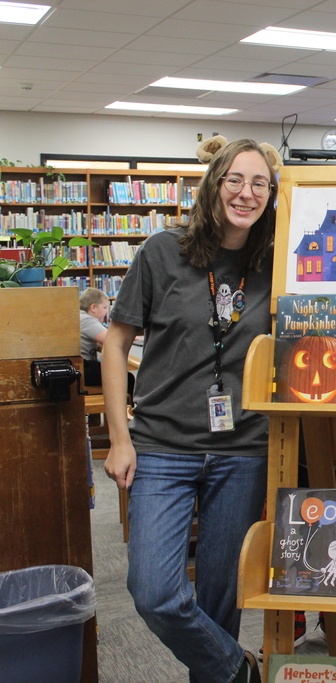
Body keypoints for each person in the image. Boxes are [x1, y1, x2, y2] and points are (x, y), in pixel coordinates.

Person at [102, 136, 281, 683]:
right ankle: (237, 670)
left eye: (260, 184)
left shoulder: (277, 262)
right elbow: (114, 343)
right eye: (235, 180)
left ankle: (220, 672)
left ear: (272, 195)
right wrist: (119, 438)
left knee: (222, 599)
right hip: (162, 446)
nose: (246, 194)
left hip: (244, 450)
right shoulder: (162, 251)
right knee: (154, 591)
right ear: (213, 184)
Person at [79, 287, 109, 387]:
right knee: (127, 378)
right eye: (104, 308)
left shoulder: (79, 315)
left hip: (77, 367)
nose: (106, 312)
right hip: (83, 369)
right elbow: (112, 340)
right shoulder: (87, 320)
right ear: (93, 307)